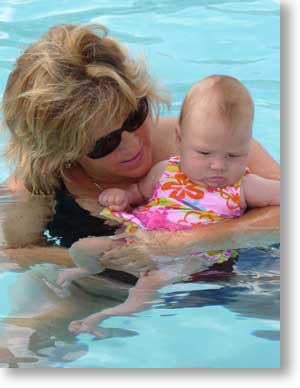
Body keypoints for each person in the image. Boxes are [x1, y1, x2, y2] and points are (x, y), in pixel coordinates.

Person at [0, 24, 280, 293]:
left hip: (235, 273)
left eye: (135, 116)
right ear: (61, 151)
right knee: (28, 329)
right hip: (105, 288)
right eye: (104, 143)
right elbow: (15, 255)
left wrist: (184, 242)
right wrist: (106, 259)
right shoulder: (36, 187)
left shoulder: (209, 144)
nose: (132, 145)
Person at [53, 75, 279, 336]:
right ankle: (86, 270)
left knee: (149, 283)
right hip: (140, 236)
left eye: (234, 155)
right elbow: (138, 192)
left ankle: (113, 315)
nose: (218, 165)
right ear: (180, 140)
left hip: (193, 255)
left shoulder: (244, 185)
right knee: (84, 247)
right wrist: (120, 197)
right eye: (204, 153)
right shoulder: (166, 169)